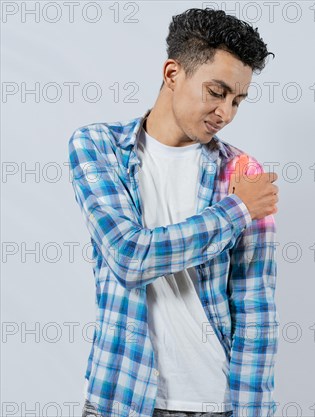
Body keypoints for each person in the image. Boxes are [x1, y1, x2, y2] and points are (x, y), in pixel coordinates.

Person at [69, 8, 279, 417]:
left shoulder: (242, 173)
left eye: (238, 100)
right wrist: (237, 210)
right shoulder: (97, 147)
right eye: (217, 93)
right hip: (121, 396)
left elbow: (256, 310)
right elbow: (129, 255)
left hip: (213, 403)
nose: (227, 113)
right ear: (172, 74)